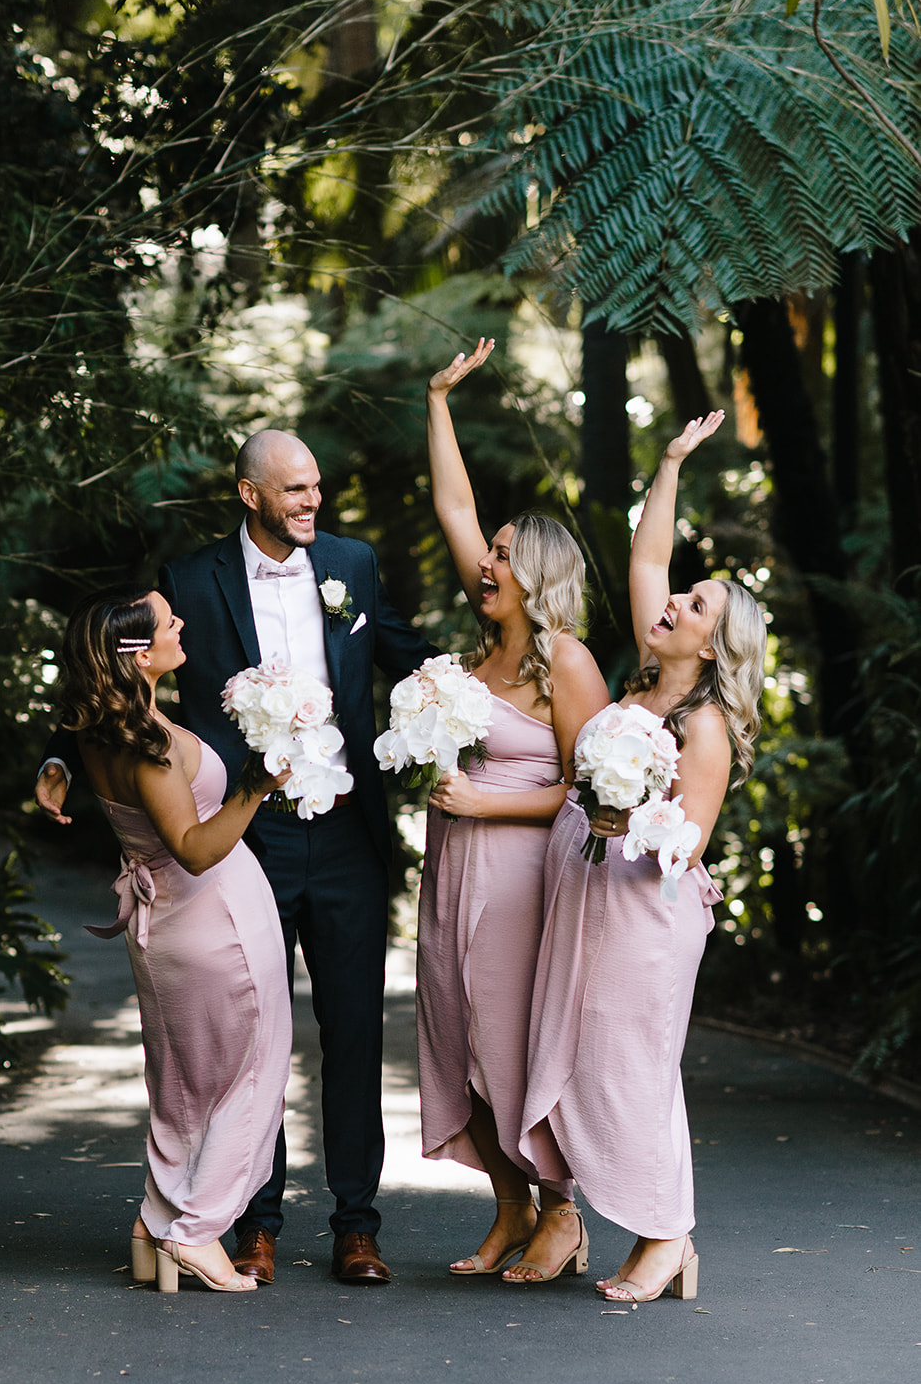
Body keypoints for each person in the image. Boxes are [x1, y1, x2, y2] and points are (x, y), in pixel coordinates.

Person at [38, 430, 438, 1284]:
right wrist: (59, 760)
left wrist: (500, 694)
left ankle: (356, 1224)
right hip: (238, 844)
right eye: (293, 490)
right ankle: (251, 1221)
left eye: (316, 487)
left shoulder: (352, 564)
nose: (311, 502)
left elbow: (407, 652)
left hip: (344, 837)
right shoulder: (187, 581)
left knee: (353, 1029)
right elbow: (106, 672)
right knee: (253, 1037)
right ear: (250, 494)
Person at [511, 409, 766, 1300]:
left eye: (696, 607)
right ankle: (573, 1212)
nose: (672, 603)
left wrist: (625, 820)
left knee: (630, 1066)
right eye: (682, 594)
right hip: (585, 891)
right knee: (568, 1051)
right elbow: (644, 563)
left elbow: (687, 837)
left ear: (715, 644)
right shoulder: (640, 686)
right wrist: (666, 463)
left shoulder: (704, 728)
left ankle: (666, 1235)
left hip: (643, 911)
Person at [416, 339, 608, 1279]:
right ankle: (505, 1209)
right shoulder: (480, 645)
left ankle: (562, 1214)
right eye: (487, 551)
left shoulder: (563, 662)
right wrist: (438, 399)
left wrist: (485, 805)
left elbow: (590, 789)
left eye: (499, 554)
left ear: (535, 575)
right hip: (449, 866)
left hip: (522, 877)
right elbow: (453, 501)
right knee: (457, 1035)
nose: (483, 559)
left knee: (510, 1042)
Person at [56, 584, 292, 1294]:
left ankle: (154, 1224)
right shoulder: (150, 745)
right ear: (137, 651)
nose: (180, 624)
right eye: (167, 622)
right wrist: (255, 785)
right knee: (248, 1077)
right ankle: (196, 1232)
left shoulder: (107, 731)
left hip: (168, 929)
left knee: (182, 1086)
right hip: (211, 920)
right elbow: (191, 847)